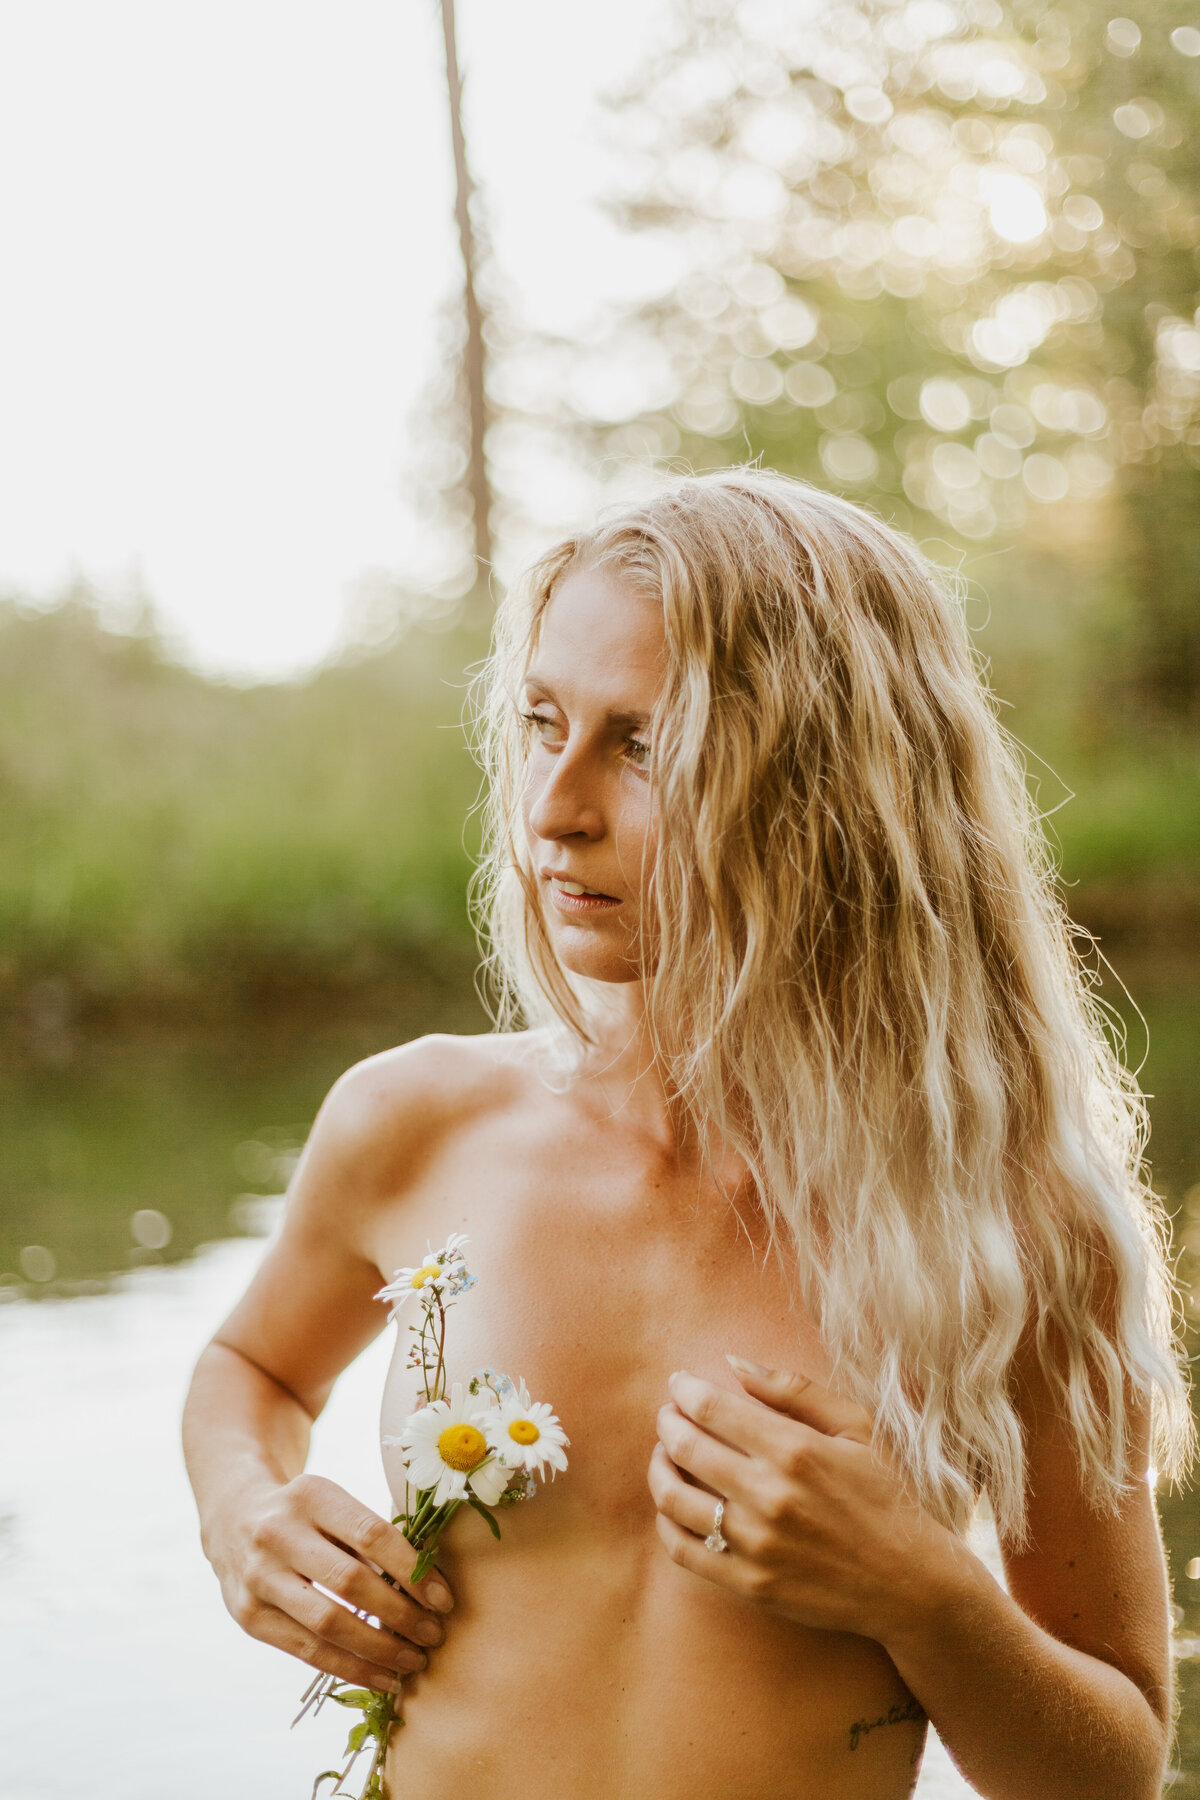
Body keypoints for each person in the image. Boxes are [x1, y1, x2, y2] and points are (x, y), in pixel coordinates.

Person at [182, 468, 1194, 1800]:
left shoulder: (1009, 1224)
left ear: (829, 788)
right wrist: (244, 1512)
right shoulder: (414, 1119)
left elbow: (1112, 1768)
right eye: (543, 722)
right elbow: (252, 1368)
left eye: (643, 744)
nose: (554, 808)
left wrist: (924, 1593)